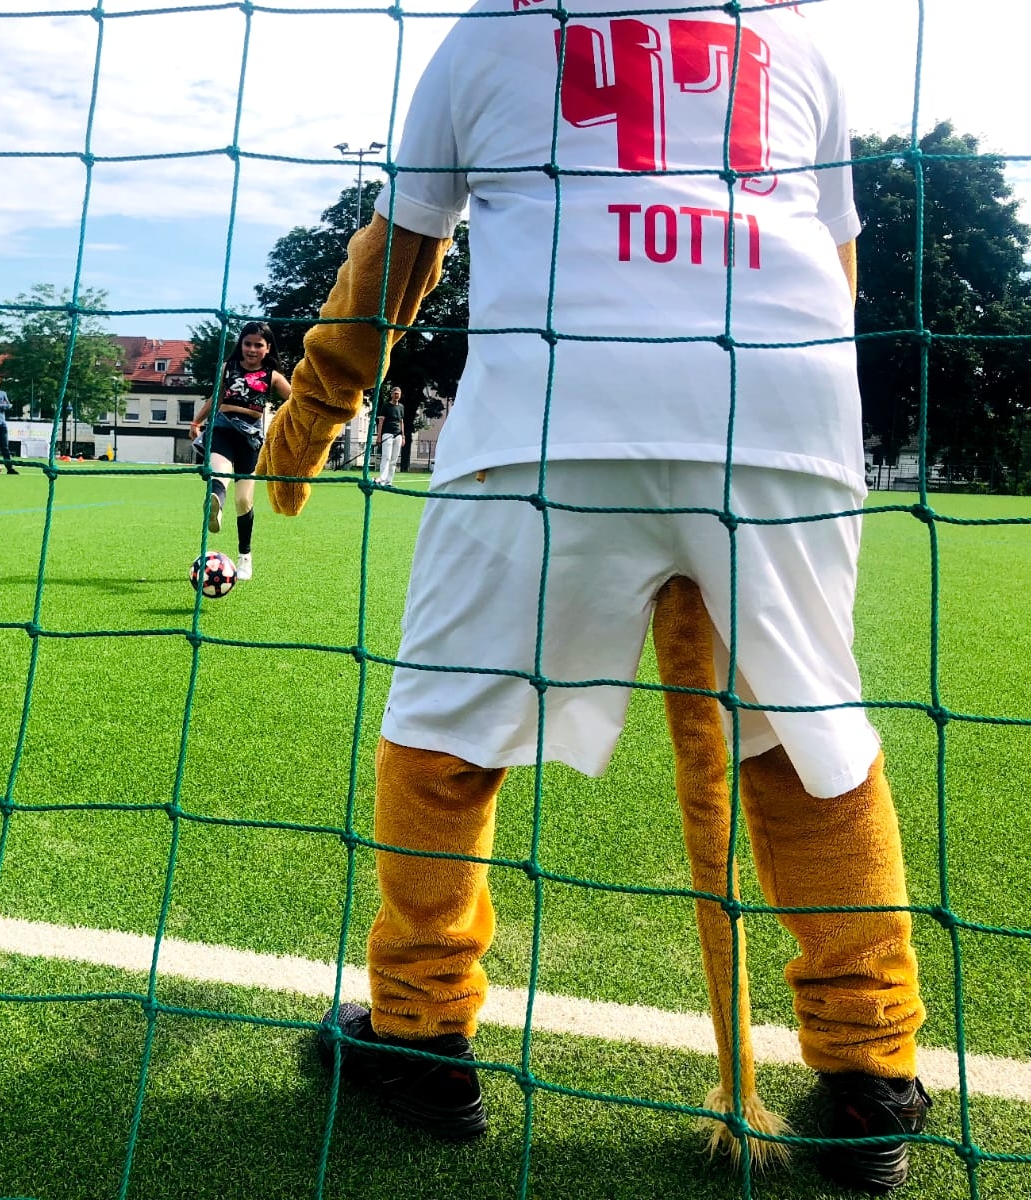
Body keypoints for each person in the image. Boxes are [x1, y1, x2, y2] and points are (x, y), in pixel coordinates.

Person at [257, 3, 928, 1190]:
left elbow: (390, 265)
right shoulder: (799, 37)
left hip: (549, 409)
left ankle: (418, 1031)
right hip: (782, 406)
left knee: (445, 735)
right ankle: (868, 1070)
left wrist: (308, 419)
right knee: (805, 741)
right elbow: (836, 266)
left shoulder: (481, 35)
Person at [188, 322, 291, 580]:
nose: (252, 349)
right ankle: (215, 507)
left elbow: (295, 401)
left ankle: (245, 557)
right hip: (222, 428)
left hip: (250, 437)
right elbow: (216, 397)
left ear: (268, 348)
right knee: (220, 472)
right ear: (241, 345)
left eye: (258, 345)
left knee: (244, 500)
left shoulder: (272, 376)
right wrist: (196, 421)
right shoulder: (228, 367)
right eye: (247, 344)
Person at [375, 385, 405, 486]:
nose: (397, 396)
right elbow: (381, 422)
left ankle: (389, 481)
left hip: (398, 435)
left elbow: (401, 422)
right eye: (395, 394)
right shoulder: (386, 406)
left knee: (394, 460)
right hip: (387, 434)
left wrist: (403, 436)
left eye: (398, 394)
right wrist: (379, 436)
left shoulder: (401, 407)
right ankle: (382, 480)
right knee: (386, 457)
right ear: (391, 394)